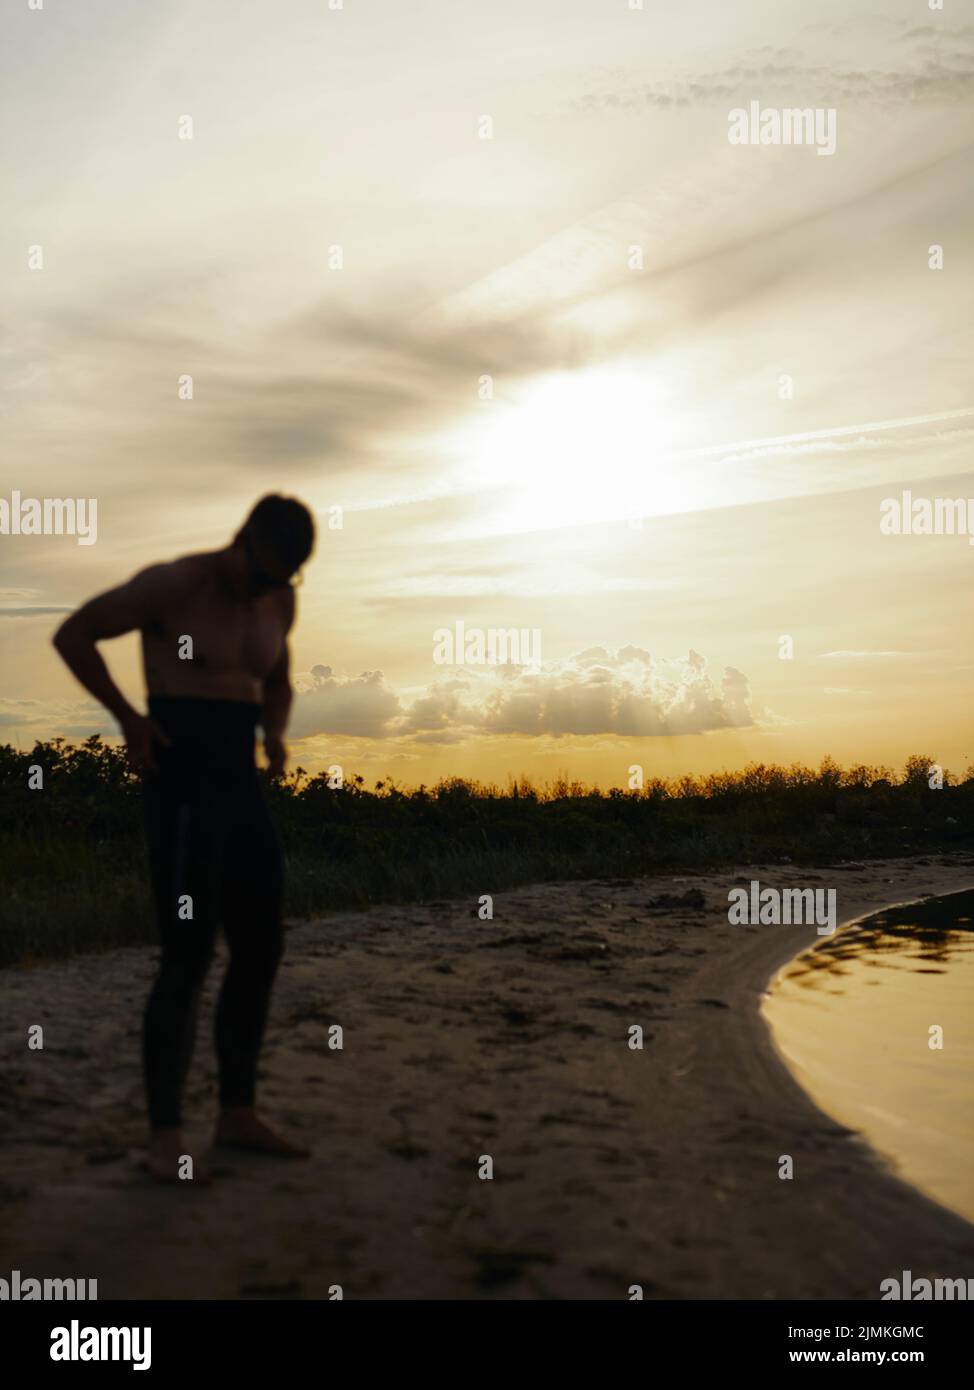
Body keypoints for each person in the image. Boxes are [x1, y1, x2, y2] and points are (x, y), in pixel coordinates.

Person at [53, 494, 315, 1184]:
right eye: (264, 573)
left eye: (285, 579)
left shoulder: (278, 601)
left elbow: (280, 680)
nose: (270, 588)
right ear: (244, 540)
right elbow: (73, 634)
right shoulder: (174, 584)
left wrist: (276, 734)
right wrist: (129, 721)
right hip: (181, 778)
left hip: (240, 781)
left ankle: (237, 1113)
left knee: (262, 945)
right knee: (187, 955)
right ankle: (165, 1137)